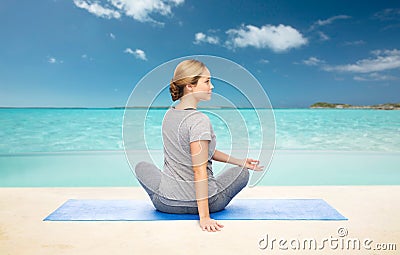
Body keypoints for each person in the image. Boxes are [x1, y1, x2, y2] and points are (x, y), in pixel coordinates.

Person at [135, 59, 263, 232]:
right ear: (190, 86)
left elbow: (202, 153)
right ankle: (203, 208)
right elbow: (199, 169)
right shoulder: (199, 121)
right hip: (210, 203)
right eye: (207, 81)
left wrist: (239, 160)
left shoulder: (169, 115)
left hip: (167, 203)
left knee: (141, 166)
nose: (212, 87)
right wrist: (205, 217)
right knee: (242, 173)